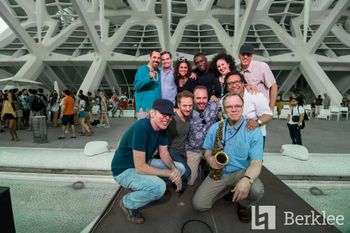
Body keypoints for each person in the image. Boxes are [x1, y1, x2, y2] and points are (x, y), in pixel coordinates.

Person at [192, 93, 264, 223]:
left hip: (241, 172)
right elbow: (206, 151)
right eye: (229, 107)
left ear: (243, 107)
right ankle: (228, 190)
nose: (234, 109)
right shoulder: (215, 128)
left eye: (237, 106)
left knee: (257, 190)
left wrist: (247, 180)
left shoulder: (253, 131)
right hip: (220, 172)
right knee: (199, 205)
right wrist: (209, 159)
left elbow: (257, 163)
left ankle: (243, 204)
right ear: (224, 110)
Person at [111, 99, 186, 224]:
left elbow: (164, 153)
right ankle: (127, 202)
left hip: (143, 162)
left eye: (170, 116)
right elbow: (140, 168)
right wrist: (170, 174)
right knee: (159, 188)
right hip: (123, 170)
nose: (167, 118)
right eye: (163, 114)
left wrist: (174, 170)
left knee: (180, 168)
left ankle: (147, 188)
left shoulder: (162, 128)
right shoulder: (141, 128)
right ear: (152, 113)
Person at [224, 71, 272, 148]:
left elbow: (268, 114)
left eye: (237, 82)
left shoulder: (256, 95)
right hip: (233, 137)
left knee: (254, 159)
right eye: (230, 83)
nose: (234, 85)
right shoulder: (224, 100)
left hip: (254, 136)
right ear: (227, 87)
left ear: (243, 83)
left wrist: (257, 122)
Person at [186, 86, 219, 185]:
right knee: (189, 181)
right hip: (193, 149)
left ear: (208, 97)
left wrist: (247, 86)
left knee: (216, 177)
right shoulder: (187, 109)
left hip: (210, 149)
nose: (201, 101)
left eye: (204, 98)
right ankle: (200, 165)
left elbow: (231, 100)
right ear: (193, 98)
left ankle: (204, 165)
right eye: (198, 98)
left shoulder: (214, 106)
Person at [167, 91, 194, 192]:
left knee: (185, 182)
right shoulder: (171, 118)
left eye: (190, 105)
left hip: (182, 150)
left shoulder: (189, 115)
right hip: (171, 150)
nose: (188, 108)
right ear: (178, 105)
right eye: (184, 105)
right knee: (186, 172)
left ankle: (177, 186)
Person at [239, 43, 278, 110]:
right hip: (245, 110)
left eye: (248, 54)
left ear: (252, 56)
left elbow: (273, 86)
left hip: (261, 109)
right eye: (243, 54)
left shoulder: (262, 66)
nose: (245, 57)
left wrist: (271, 109)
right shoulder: (236, 70)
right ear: (239, 55)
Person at [134, 50, 161, 119]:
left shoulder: (159, 72)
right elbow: (136, 86)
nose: (156, 60)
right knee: (143, 129)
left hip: (156, 109)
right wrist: (148, 77)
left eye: (158, 58)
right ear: (150, 58)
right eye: (154, 57)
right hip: (144, 109)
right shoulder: (142, 70)